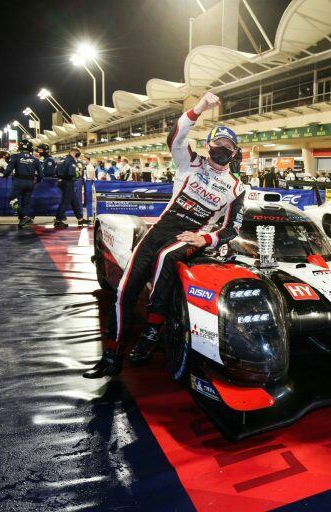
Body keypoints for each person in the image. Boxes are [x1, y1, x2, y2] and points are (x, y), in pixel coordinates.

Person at [83, 92, 246, 379]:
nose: (222, 148)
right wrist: (200, 108)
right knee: (124, 289)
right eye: (218, 143)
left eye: (228, 145)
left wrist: (205, 239)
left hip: (190, 236)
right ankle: (111, 355)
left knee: (165, 258)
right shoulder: (190, 163)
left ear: (234, 152)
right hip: (161, 229)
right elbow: (175, 136)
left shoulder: (236, 188)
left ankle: (151, 331)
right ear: (208, 146)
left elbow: (232, 227)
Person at [4, 140, 42, 228]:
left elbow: (9, 169)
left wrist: (4, 175)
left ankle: (23, 217)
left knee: (12, 199)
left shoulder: (15, 156)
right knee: (26, 203)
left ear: (20, 147)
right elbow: (41, 175)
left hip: (19, 182)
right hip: (30, 183)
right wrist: (37, 181)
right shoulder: (35, 159)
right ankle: (23, 221)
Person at [54, 148, 89, 228]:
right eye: (78, 154)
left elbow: (55, 171)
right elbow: (71, 173)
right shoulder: (71, 160)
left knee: (74, 201)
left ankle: (80, 219)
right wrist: (78, 174)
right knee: (65, 201)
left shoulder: (62, 159)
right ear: (75, 152)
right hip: (67, 182)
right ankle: (58, 220)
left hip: (61, 181)